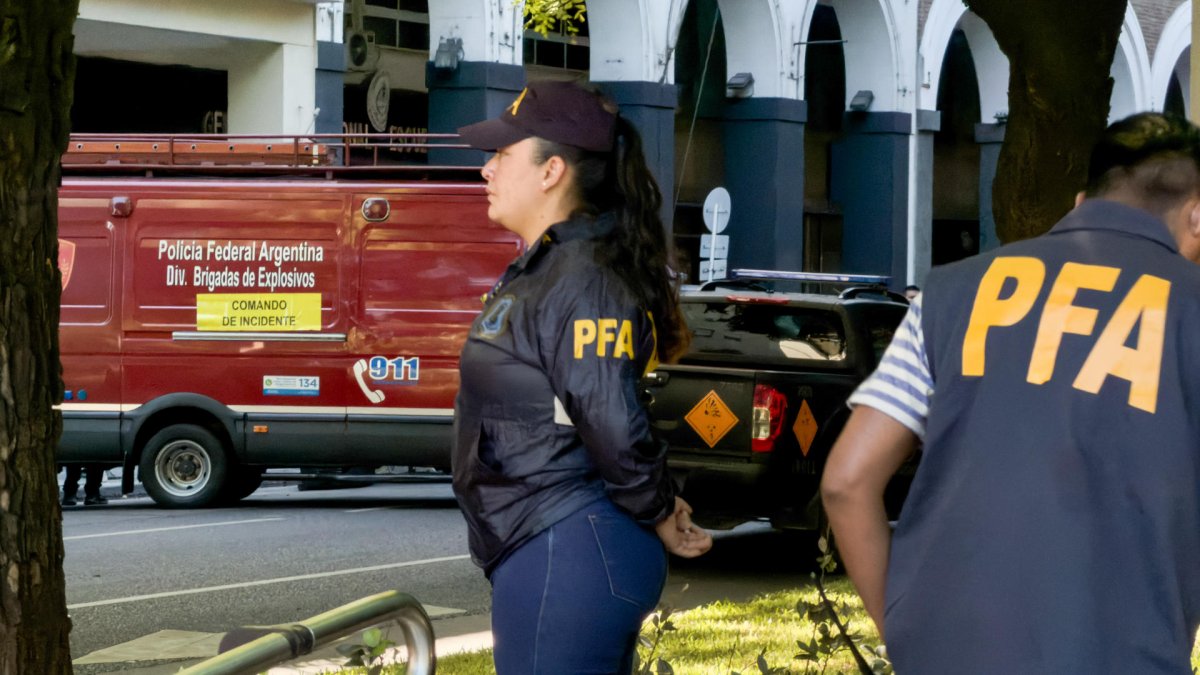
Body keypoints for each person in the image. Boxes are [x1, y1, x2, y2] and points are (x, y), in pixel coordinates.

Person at [820, 112, 1200, 674]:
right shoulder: (1188, 305)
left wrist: (903, 631)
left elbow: (847, 481)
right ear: (1196, 214)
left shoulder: (948, 293)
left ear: (1080, 202)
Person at [451, 80, 713, 674]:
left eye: (503, 154)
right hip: (555, 542)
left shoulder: (582, 277)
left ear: (552, 171)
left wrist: (657, 506)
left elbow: (610, 417)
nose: (487, 169)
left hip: (566, 545)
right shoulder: (555, 268)